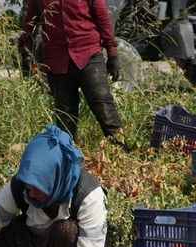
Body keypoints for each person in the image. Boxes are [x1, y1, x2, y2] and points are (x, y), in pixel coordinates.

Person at [19, 0, 125, 145]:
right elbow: (29, 23)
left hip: (88, 54)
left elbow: (102, 16)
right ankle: (70, 159)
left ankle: (121, 149)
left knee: (103, 105)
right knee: (65, 118)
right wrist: (26, 52)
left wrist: (112, 53)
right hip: (57, 61)